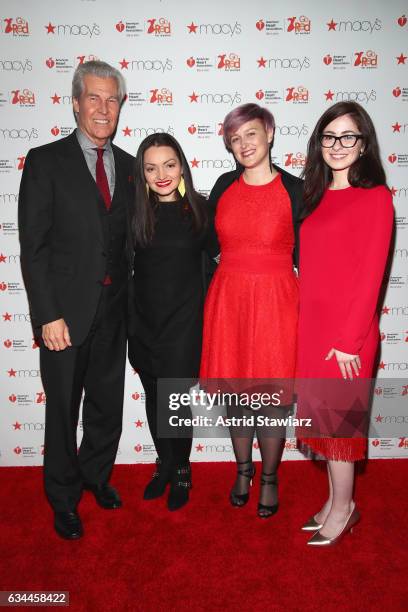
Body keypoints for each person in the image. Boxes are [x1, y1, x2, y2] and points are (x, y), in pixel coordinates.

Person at [18, 61, 134, 539]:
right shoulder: (45, 161)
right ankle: (63, 497)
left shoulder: (129, 166)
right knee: (64, 408)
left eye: (112, 100)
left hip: (116, 312)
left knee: (107, 405)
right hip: (64, 316)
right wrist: (47, 314)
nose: (103, 109)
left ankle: (96, 477)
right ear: (75, 102)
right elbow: (34, 246)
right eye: (94, 98)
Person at [296, 101, 393, 545]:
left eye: (348, 136)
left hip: (346, 336)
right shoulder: (313, 196)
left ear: (364, 143)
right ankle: (337, 502)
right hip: (313, 330)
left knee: (339, 432)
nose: (337, 145)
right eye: (329, 137)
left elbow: (372, 274)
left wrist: (351, 341)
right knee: (324, 425)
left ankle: (343, 511)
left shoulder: (375, 198)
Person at [200, 103, 303, 518]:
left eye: (251, 134)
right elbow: (209, 244)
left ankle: (271, 477)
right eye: (235, 138)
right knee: (236, 395)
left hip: (277, 303)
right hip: (230, 301)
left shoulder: (296, 189)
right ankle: (244, 470)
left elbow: (309, 255)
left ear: (270, 133)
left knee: (272, 398)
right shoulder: (224, 184)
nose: (243, 144)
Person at [128, 133, 218, 511]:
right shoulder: (136, 214)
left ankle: (182, 468)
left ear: (181, 165)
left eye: (168, 164)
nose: (161, 174)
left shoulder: (200, 210)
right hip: (144, 322)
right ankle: (163, 463)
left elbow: (220, 266)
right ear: (142, 174)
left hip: (184, 324)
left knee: (175, 401)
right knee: (154, 398)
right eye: (151, 168)